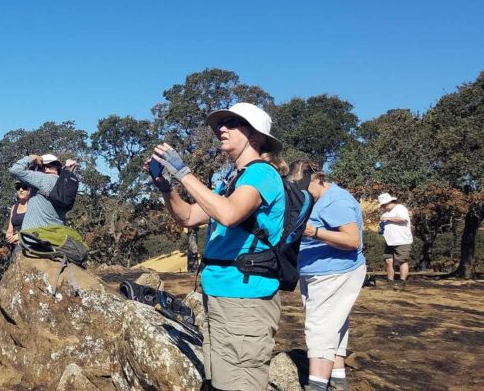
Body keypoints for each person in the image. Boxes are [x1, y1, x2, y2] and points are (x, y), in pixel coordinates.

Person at [149, 102, 286, 391]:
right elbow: (188, 216)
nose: (222, 129)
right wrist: (165, 186)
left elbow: (229, 213)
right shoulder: (230, 182)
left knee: (241, 383)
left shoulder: (262, 174)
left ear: (255, 136)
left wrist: (183, 172)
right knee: (220, 381)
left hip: (245, 297)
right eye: (221, 124)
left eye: (232, 123)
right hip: (220, 291)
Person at [288, 160, 366, 391]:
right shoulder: (314, 199)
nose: (300, 193)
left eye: (303, 187)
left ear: (319, 178)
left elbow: (353, 240)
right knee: (334, 326)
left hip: (336, 272)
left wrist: (315, 232)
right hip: (318, 272)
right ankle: (338, 380)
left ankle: (317, 385)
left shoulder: (337, 202)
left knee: (319, 328)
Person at [8, 153, 77, 230]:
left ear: (46, 168)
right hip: (55, 237)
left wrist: (32, 157)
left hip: (34, 238)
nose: (35, 170)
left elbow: (15, 170)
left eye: (37, 167)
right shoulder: (64, 185)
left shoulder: (42, 179)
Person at [378, 193, 413, 290]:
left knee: (402, 260)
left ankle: (402, 282)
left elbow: (403, 219)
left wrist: (386, 218)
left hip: (402, 240)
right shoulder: (385, 213)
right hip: (389, 241)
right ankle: (390, 282)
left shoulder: (400, 208)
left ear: (389, 202)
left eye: (383, 205)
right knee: (388, 260)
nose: (383, 207)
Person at [5, 182, 31, 258]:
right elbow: (10, 228)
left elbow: (36, 227)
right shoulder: (14, 207)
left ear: (30, 190)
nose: (21, 190)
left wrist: (19, 236)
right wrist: (8, 235)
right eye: (18, 187)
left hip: (27, 244)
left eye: (24, 187)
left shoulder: (33, 206)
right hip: (13, 245)